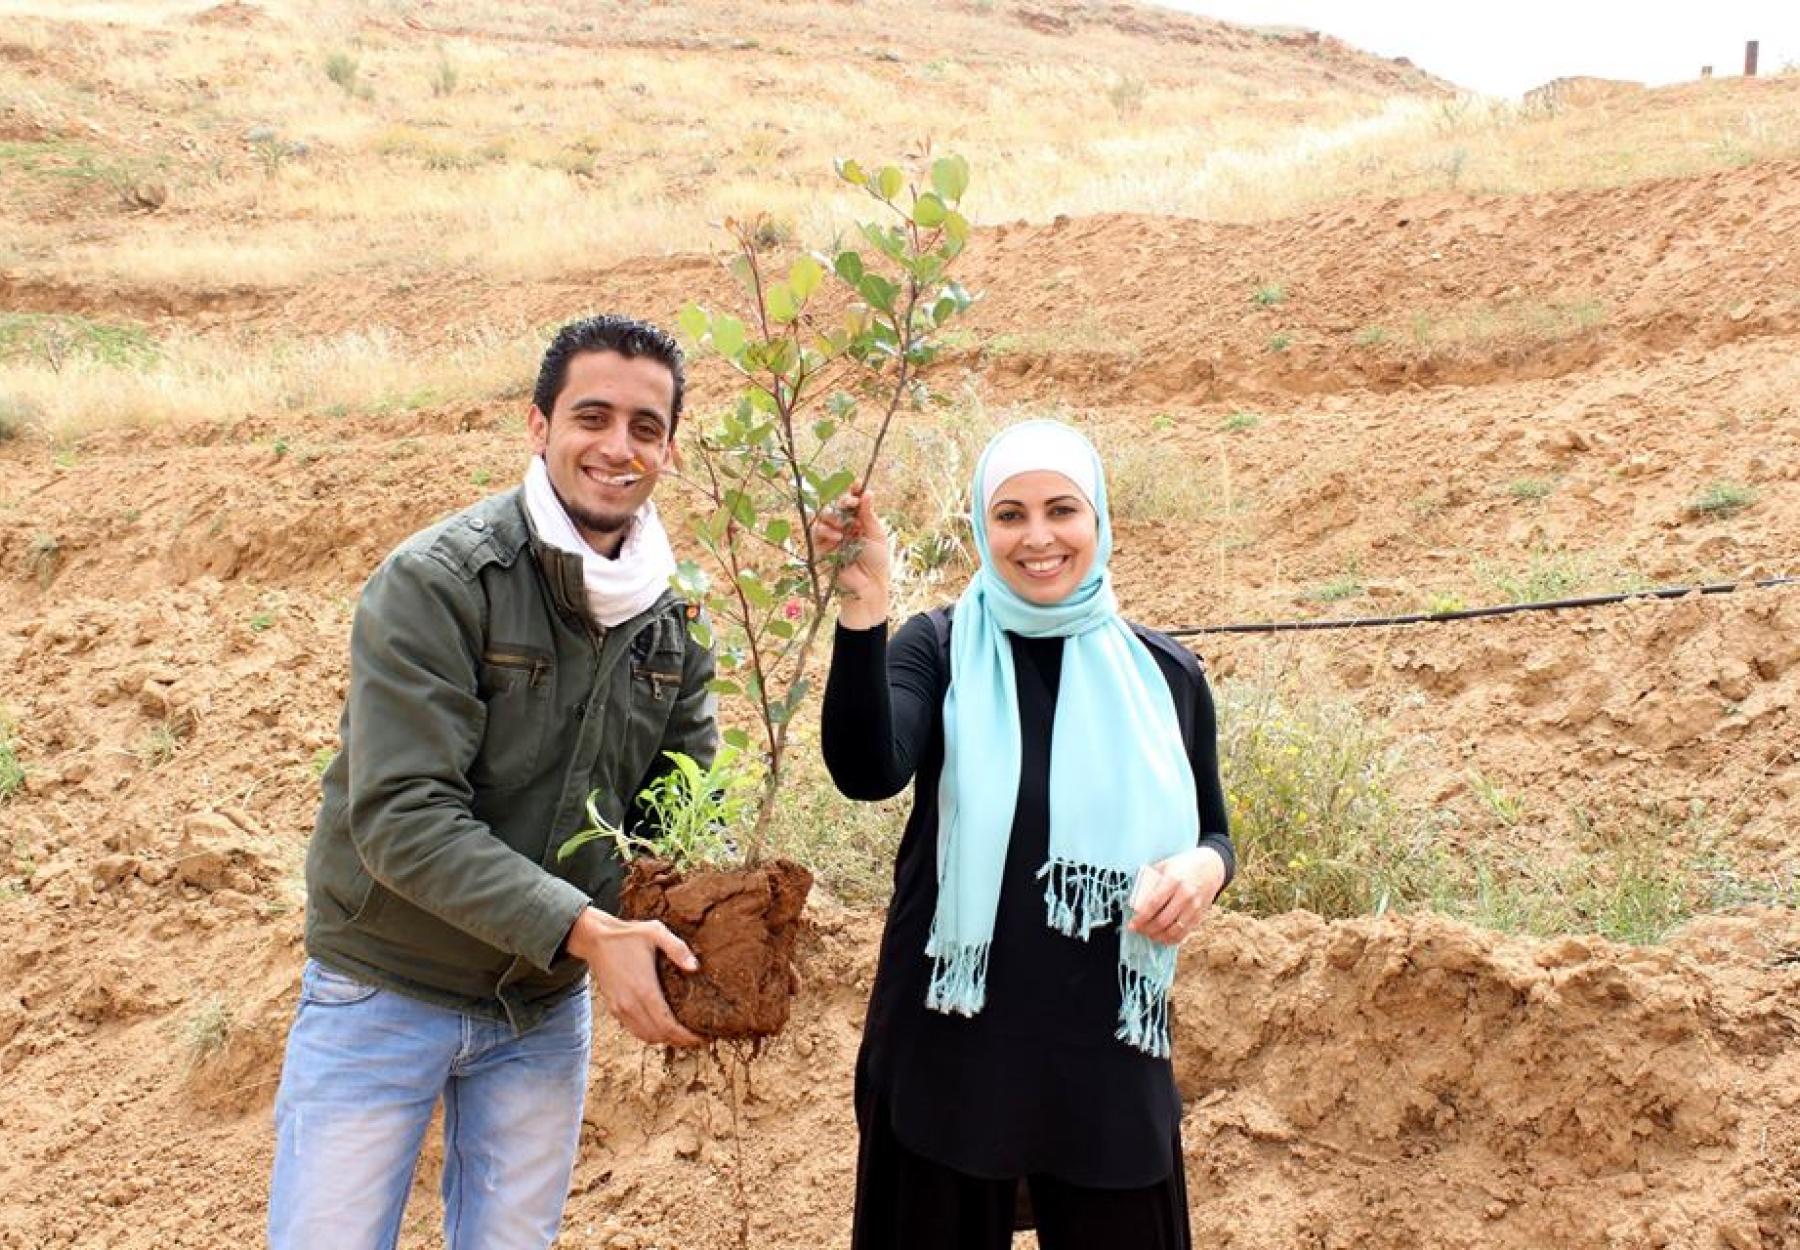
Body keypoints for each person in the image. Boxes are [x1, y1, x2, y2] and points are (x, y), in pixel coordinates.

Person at [268, 314, 718, 1250]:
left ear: (670, 450)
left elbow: (672, 810)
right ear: (538, 425)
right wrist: (589, 931)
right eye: (591, 416)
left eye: (646, 427)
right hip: (387, 986)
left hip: (540, 1009)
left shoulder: (675, 620)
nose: (617, 446)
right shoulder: (441, 582)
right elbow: (401, 817)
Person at [815, 418, 1234, 1250]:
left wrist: (1202, 871)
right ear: (981, 526)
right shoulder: (937, 648)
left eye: (1061, 510)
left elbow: (1216, 834)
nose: (1037, 537)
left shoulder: (1165, 675)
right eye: (1009, 515)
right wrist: (864, 611)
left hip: (1104, 1046)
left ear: (1099, 519)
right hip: (951, 1042)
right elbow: (868, 770)